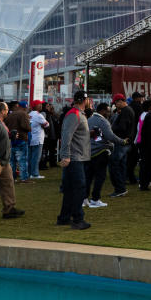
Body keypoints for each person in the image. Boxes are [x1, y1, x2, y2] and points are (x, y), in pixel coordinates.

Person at [57, 92, 93, 230]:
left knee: (70, 189)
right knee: (79, 188)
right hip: (74, 158)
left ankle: (64, 217)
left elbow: (73, 134)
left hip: (76, 156)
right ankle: (78, 219)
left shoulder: (78, 114)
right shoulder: (74, 114)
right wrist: (65, 155)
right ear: (85, 100)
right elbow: (66, 136)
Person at [85, 103, 125, 208]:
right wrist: (122, 141)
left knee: (88, 177)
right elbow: (110, 136)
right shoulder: (103, 121)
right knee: (100, 176)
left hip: (89, 152)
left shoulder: (89, 120)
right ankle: (95, 199)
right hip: (101, 152)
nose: (109, 113)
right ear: (102, 111)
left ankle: (84, 199)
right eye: (107, 111)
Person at [108, 94, 136, 198]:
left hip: (122, 142)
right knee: (121, 165)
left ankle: (119, 188)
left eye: (115, 103)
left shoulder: (125, 111)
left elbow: (122, 127)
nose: (115, 105)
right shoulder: (128, 110)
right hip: (126, 142)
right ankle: (121, 187)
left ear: (120, 101)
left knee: (113, 164)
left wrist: (111, 129)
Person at [4, 101, 31, 182]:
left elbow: (6, 126)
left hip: (11, 139)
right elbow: (25, 126)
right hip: (21, 139)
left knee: (12, 161)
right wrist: (30, 127)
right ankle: (24, 178)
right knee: (22, 160)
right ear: (24, 107)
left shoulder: (10, 114)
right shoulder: (23, 114)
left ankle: (12, 178)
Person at [26, 100, 49, 181]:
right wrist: (42, 125)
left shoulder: (29, 114)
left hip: (30, 138)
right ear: (36, 106)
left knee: (30, 157)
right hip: (38, 138)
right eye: (39, 104)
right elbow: (47, 124)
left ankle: (29, 173)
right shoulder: (38, 115)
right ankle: (34, 174)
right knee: (36, 157)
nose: (41, 105)